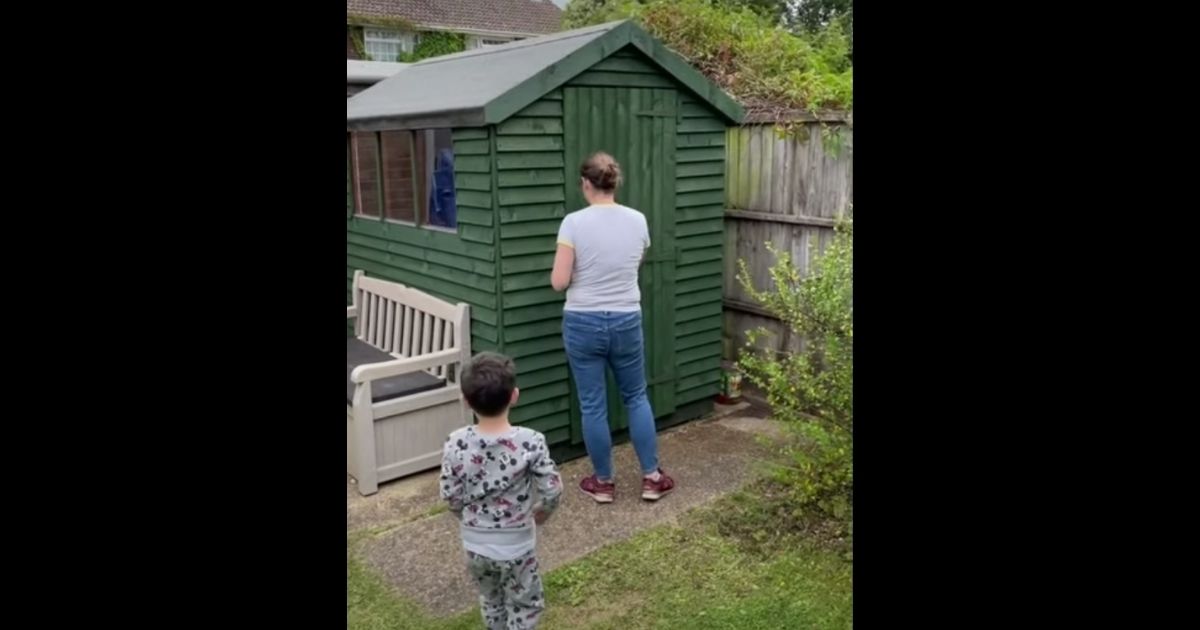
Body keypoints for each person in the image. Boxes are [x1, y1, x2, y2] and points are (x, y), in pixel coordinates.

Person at [551, 152, 676, 504]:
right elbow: (636, 261)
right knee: (636, 396)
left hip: (582, 320)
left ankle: (603, 483)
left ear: (585, 184)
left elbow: (559, 282)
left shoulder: (573, 223)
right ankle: (652, 478)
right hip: (625, 319)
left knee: (593, 405)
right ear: (614, 183)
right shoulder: (638, 220)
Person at [440, 352, 563, 630]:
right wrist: (540, 515)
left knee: (491, 599)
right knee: (524, 604)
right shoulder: (531, 442)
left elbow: (450, 495)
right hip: (517, 544)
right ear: (514, 396)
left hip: (474, 544)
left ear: (465, 399)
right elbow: (552, 491)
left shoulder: (454, 443)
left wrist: (469, 519)